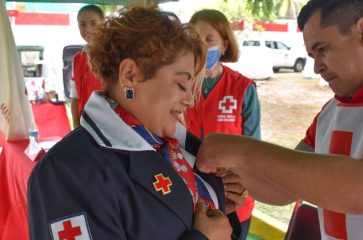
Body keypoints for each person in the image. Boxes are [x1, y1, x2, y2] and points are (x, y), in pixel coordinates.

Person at [28, 7, 237, 240]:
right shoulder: (67, 171)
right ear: (129, 75)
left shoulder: (179, 146)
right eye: (181, 84)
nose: (189, 99)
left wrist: (221, 198)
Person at [196, 0, 363, 239]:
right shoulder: (331, 111)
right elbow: (282, 189)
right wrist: (232, 177)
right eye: (312, 55)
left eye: (323, 49)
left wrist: (242, 151)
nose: (316, 68)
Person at [185, 9, 261, 240]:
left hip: (234, 197)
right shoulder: (180, 84)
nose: (202, 47)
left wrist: (241, 185)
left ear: (224, 45)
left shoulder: (243, 88)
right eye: (196, 40)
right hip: (189, 194)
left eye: (210, 40)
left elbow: (255, 149)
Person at [70, 4, 104, 128]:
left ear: (104, 24)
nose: (87, 30)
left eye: (93, 23)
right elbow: (75, 97)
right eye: (82, 24)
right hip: (85, 126)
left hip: (108, 128)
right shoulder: (78, 58)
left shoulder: (114, 54)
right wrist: (75, 128)